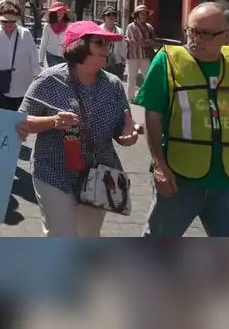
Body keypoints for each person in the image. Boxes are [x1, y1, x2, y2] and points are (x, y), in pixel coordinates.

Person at [16, 21, 140, 237]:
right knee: (61, 235)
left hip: (99, 175)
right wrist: (53, 121)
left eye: (108, 43)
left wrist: (128, 135)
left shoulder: (113, 85)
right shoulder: (49, 80)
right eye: (99, 42)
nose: (106, 48)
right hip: (53, 172)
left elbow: (122, 128)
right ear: (78, 46)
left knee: (88, 236)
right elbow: (20, 121)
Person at [136, 1, 229, 237]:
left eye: (206, 33)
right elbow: (153, 115)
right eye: (191, 31)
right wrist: (159, 165)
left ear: (227, 36)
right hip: (180, 180)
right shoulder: (168, 61)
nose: (195, 39)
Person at [0, 1, 41, 111]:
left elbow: (34, 59)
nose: (8, 24)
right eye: (5, 21)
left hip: (22, 87)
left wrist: (39, 82)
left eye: (12, 21)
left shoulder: (25, 34)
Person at [124, 4, 157, 101]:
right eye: (142, 14)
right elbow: (134, 42)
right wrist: (145, 42)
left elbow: (152, 41)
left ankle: (148, 96)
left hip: (146, 56)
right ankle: (131, 97)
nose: (144, 16)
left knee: (148, 77)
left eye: (145, 14)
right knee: (132, 78)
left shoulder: (149, 27)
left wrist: (144, 42)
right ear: (137, 15)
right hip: (133, 56)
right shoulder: (131, 27)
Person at [37, 2, 70, 67]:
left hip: (65, 56)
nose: (61, 13)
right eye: (58, 11)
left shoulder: (69, 25)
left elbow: (71, 41)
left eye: (62, 10)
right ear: (54, 12)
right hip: (52, 55)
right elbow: (44, 43)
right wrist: (41, 59)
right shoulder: (47, 26)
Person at [100, 6, 127, 79]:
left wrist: (123, 61)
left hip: (117, 64)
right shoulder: (99, 30)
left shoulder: (120, 31)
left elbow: (124, 47)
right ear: (104, 17)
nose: (111, 16)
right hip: (102, 63)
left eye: (113, 14)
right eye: (108, 14)